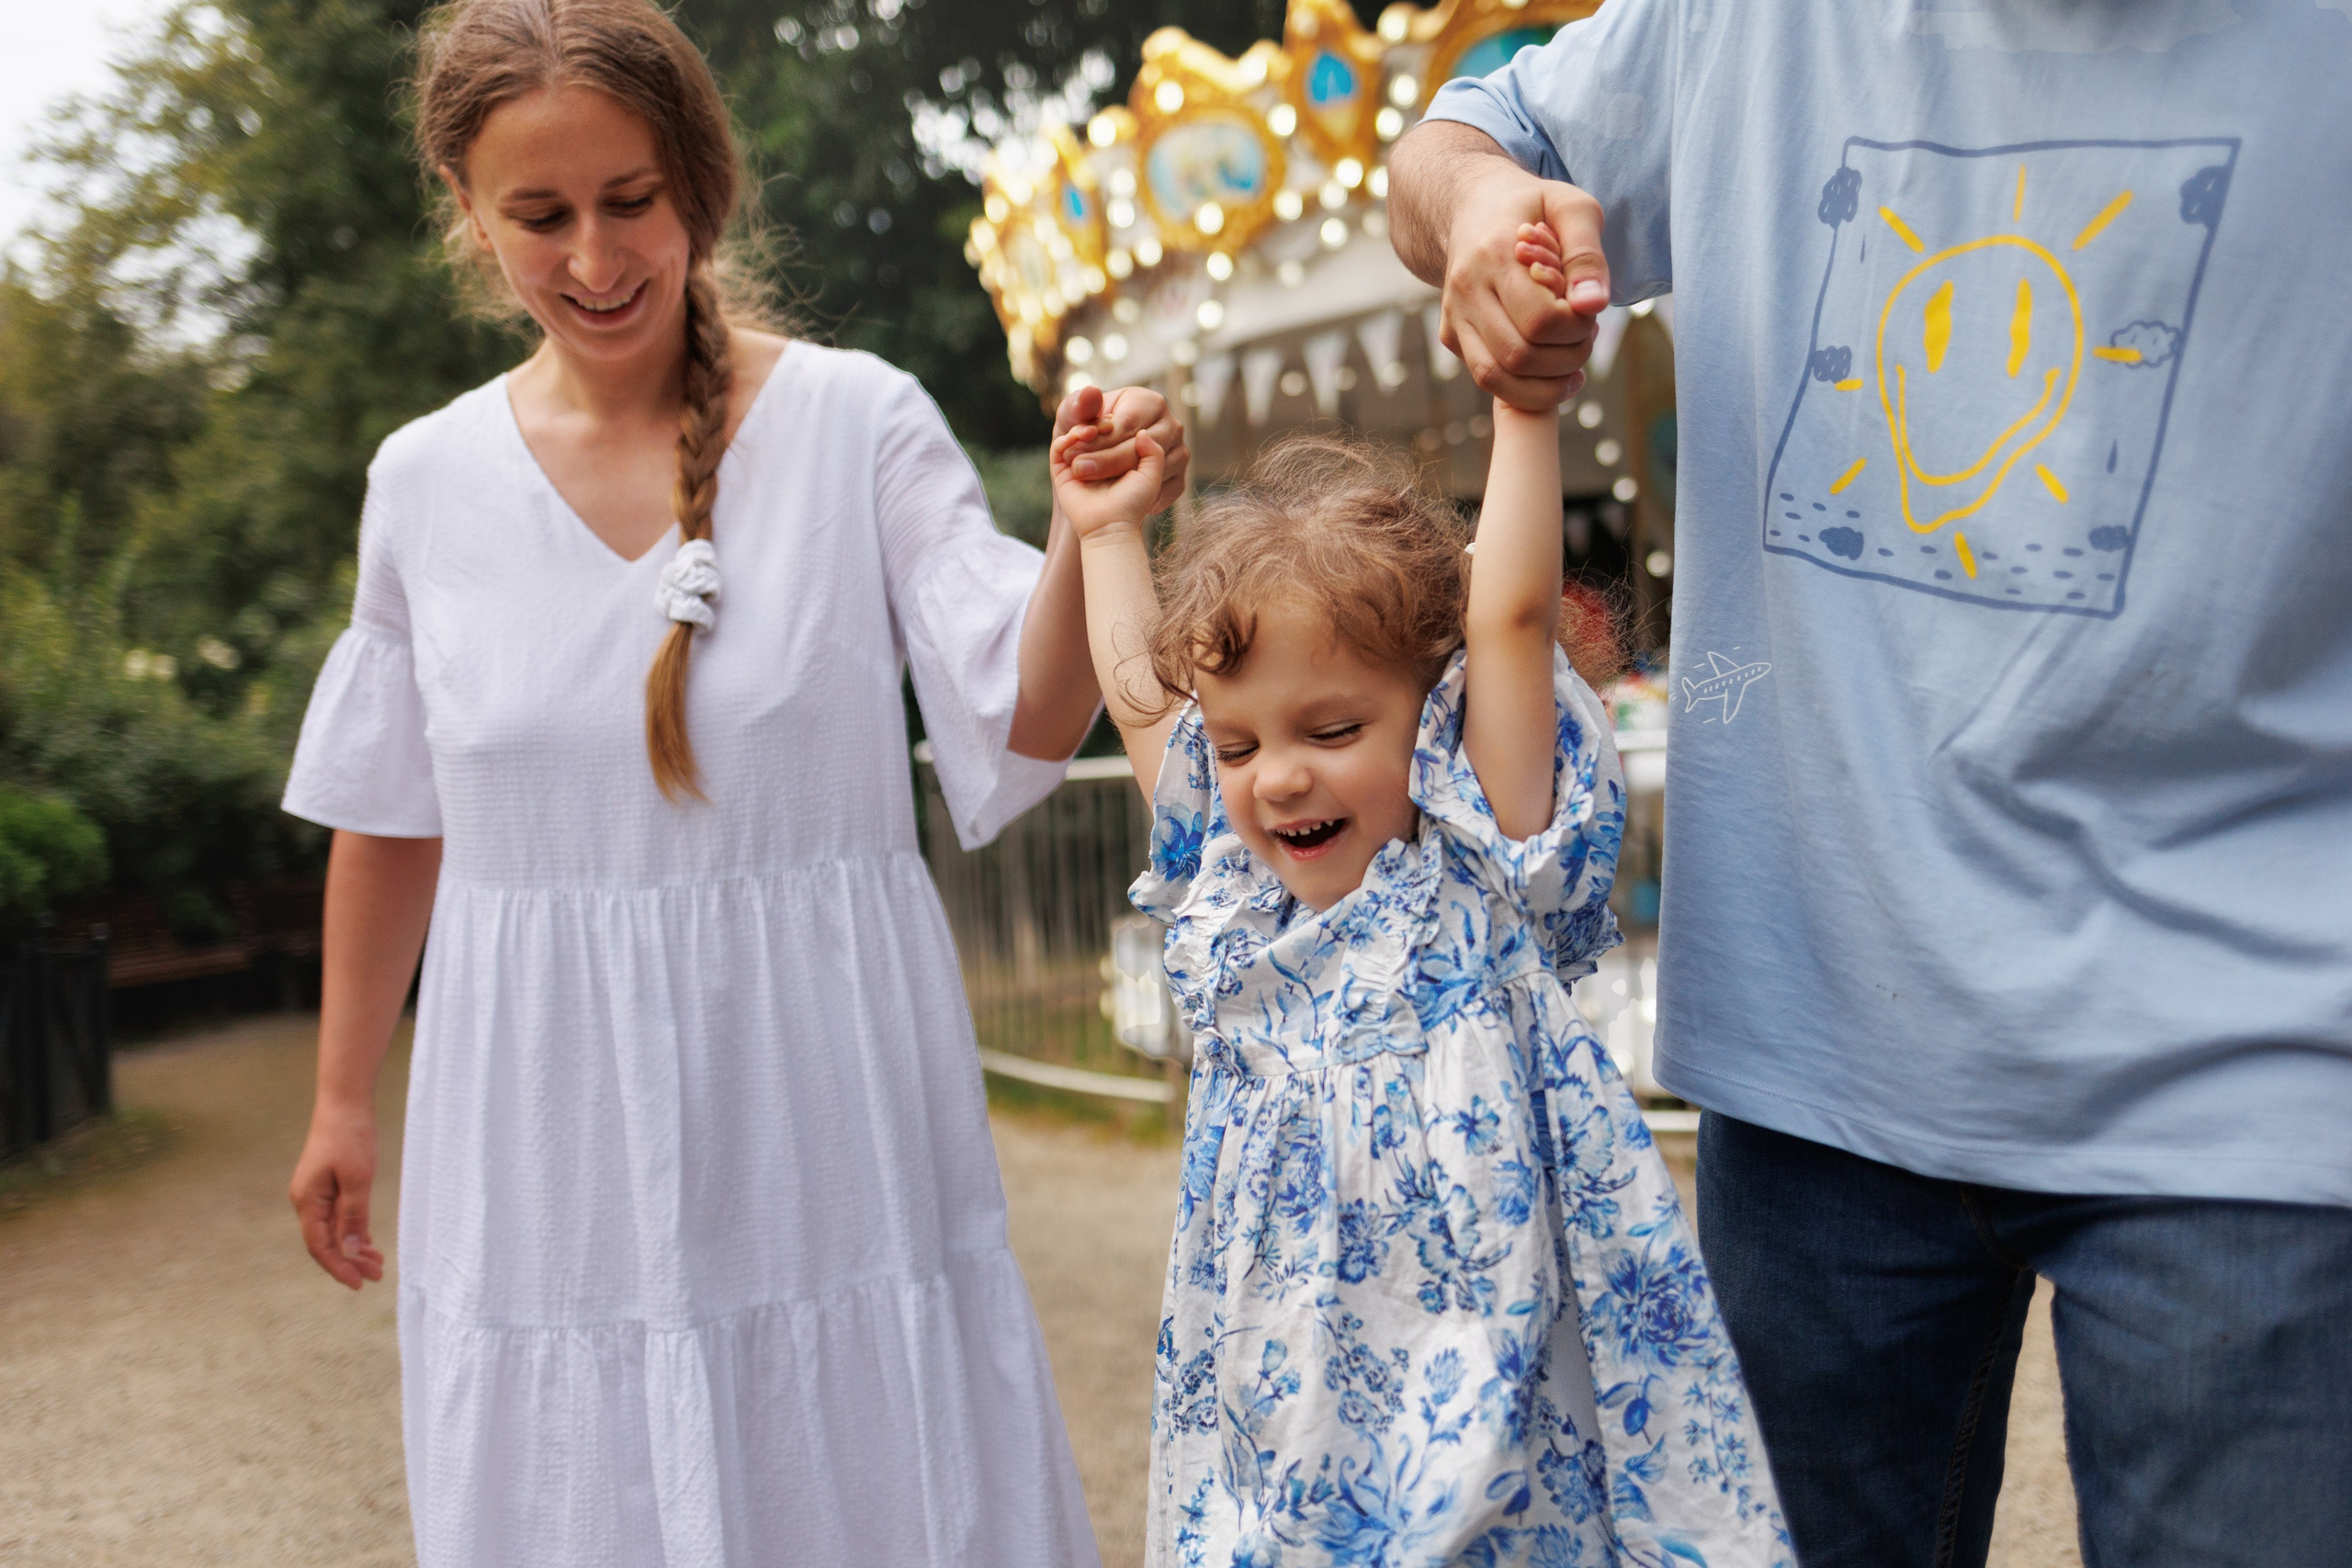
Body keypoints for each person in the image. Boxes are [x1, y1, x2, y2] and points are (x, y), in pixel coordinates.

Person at [1386, 2, 2352, 1563]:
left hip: (2252, 1074)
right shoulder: (1742, 22)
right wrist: (1486, 209)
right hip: (1814, 1053)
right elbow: (1459, 139)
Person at [279, 2, 1188, 1562]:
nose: (593, 258)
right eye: (540, 216)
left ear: (699, 185)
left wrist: (1090, 531)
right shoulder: (421, 483)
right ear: (470, 217)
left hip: (817, 1098)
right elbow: (390, 817)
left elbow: (1028, 717)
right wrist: (341, 1098)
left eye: (628, 200)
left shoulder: (857, 421)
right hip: (540, 1111)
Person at [1049, 225, 1788, 1568]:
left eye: (1330, 730)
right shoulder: (1235, 898)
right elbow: (1150, 700)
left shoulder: (1468, 871)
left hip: (1474, 1372)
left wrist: (1522, 412)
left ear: (1428, 717)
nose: (1275, 779)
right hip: (1281, 1394)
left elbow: (1505, 618)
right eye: (1246, 744)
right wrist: (1108, 530)